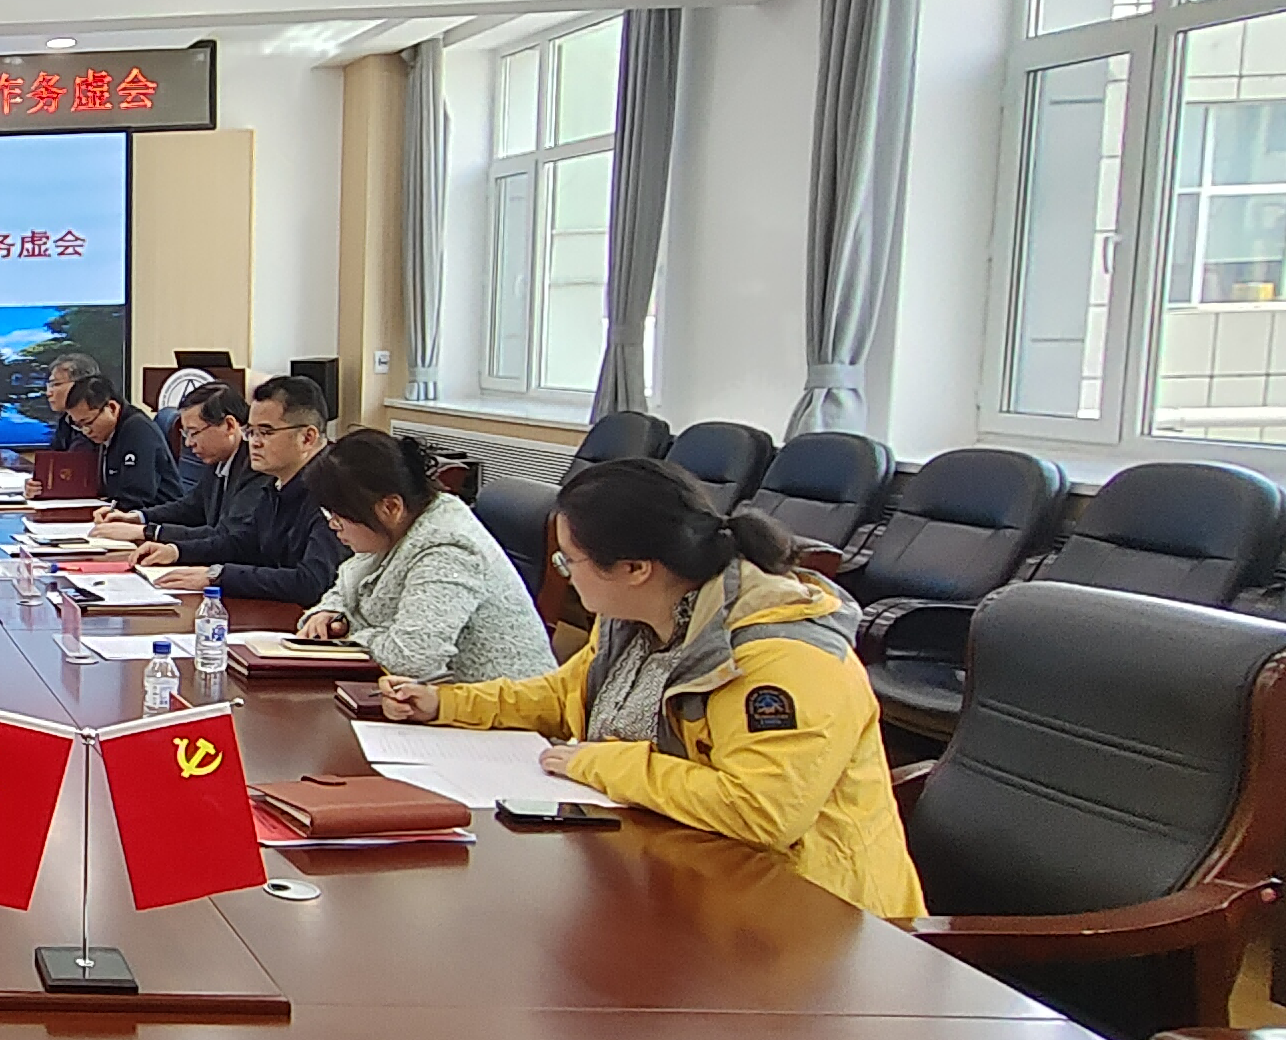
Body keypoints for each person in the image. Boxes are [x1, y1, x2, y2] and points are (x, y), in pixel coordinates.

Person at [376, 458, 924, 918]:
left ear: (635, 568)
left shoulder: (782, 659)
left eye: (570, 560)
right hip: (678, 873)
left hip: (811, 920)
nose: (563, 573)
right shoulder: (635, 618)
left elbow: (760, 811)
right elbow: (565, 697)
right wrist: (444, 703)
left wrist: (600, 763)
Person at [297, 429, 556, 684]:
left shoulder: (448, 548)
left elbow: (412, 658)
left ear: (391, 507)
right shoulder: (395, 527)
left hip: (503, 705)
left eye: (339, 516)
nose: (333, 525)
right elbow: (350, 583)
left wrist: (350, 637)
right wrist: (331, 612)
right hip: (431, 696)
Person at [134, 375, 345, 606]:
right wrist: (177, 551)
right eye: (251, 432)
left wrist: (219, 576)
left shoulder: (334, 490)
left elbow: (311, 582)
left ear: (307, 437)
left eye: (266, 432)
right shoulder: (277, 482)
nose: (254, 442)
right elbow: (243, 543)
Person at [96, 384, 263, 542]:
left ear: (229, 426)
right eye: (185, 434)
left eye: (194, 433)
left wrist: (149, 532)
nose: (189, 443)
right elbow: (192, 507)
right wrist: (137, 517)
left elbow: (228, 536)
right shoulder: (219, 460)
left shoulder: (256, 467)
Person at [60, 374, 178, 511]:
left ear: (112, 408)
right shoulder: (101, 433)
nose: (86, 431)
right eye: (78, 426)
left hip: (158, 517)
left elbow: (136, 497)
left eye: (88, 422)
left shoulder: (137, 429)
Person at [41, 352, 105, 452]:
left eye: (55, 384)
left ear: (80, 385)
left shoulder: (102, 425)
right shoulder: (65, 421)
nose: (48, 393)